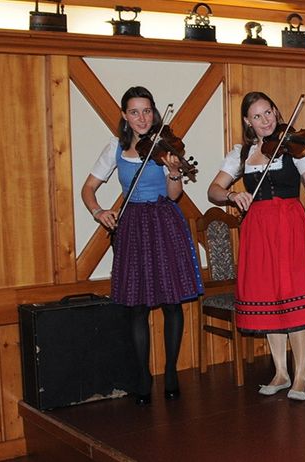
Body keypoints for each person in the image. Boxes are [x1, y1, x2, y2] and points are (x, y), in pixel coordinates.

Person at [81, 86, 203, 406]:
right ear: (124, 116)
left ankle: (172, 371)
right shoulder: (115, 148)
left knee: (171, 302)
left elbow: (174, 194)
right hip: (132, 224)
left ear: (154, 112)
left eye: (147, 111)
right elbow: (89, 189)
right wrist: (99, 211)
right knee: (136, 306)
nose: (141, 118)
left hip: (164, 222)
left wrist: (175, 171)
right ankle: (143, 376)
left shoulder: (164, 146)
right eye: (134, 112)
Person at [207, 92, 305, 401]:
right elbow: (214, 190)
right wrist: (233, 195)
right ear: (248, 121)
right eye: (258, 116)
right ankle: (280, 371)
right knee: (269, 297)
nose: (266, 120)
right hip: (258, 230)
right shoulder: (241, 154)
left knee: (294, 297)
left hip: (289, 225)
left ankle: (301, 375)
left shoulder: (294, 147)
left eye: (269, 112)